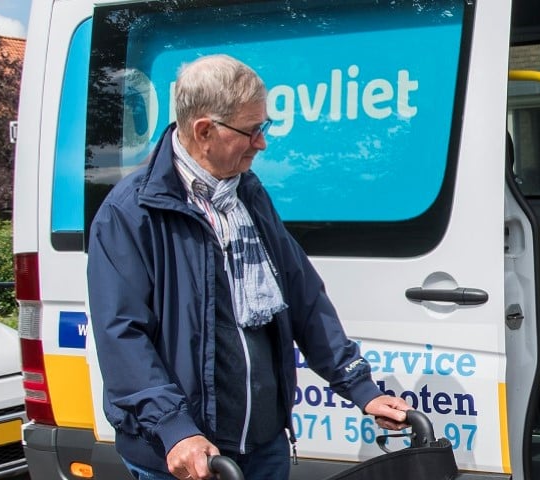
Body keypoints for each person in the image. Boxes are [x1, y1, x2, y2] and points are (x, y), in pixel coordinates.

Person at [88, 54, 412, 480]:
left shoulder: (247, 195)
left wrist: (360, 388)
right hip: (186, 458)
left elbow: (303, 297)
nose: (262, 143)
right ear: (205, 131)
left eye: (265, 127)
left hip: (263, 447)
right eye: (252, 130)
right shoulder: (131, 213)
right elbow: (122, 336)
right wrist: (174, 429)